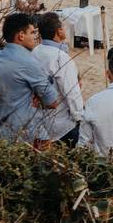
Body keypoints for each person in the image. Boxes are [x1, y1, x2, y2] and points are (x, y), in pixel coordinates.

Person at [0, 13, 58, 143]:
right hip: (28, 135)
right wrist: (39, 97)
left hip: (2, 133)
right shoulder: (27, 62)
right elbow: (52, 102)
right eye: (32, 33)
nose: (35, 37)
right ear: (21, 35)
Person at [32, 12, 84, 146]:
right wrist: (79, 117)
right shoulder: (60, 57)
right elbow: (71, 92)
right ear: (59, 31)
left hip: (37, 121)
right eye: (63, 27)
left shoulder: (34, 52)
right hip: (61, 125)